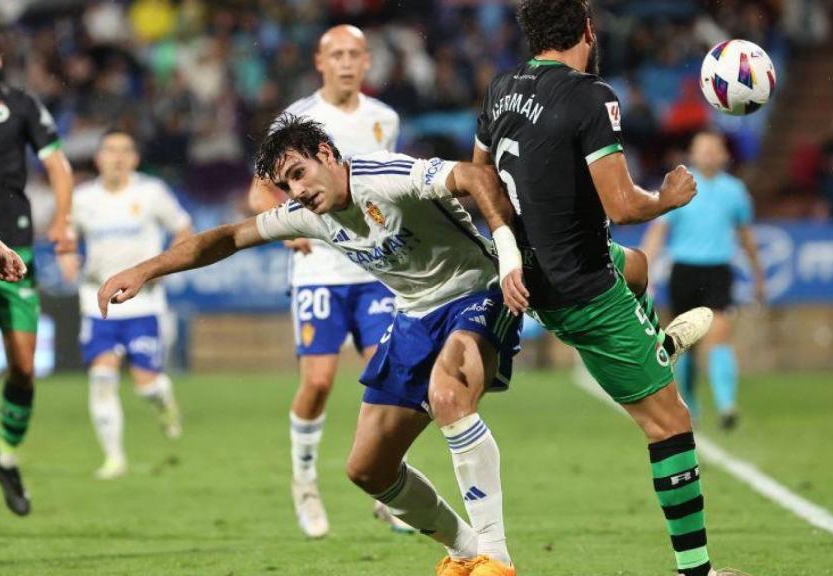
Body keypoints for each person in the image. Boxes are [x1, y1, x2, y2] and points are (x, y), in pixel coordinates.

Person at [99, 116, 526, 576]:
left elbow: (477, 176)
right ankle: (465, 551)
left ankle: (495, 560)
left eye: (298, 173)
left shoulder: (385, 176)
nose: (295, 191)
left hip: (476, 291)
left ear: (326, 154)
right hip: (414, 314)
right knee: (368, 469)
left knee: (448, 396)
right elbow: (228, 237)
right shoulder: (309, 216)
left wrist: (509, 258)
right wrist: (144, 270)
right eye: (285, 184)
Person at [472, 1, 727, 574]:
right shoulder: (591, 96)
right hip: (583, 288)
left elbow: (480, 182)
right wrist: (669, 198)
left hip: (536, 272)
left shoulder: (499, 89)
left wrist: (510, 249)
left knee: (636, 266)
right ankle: (698, 569)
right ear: (587, 29)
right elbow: (623, 204)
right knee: (670, 422)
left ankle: (655, 343)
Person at [246, 24, 404, 538]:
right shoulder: (298, 119)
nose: (346, 62)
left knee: (392, 382)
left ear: (367, 61)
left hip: (376, 268)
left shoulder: (385, 120)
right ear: (319, 61)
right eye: (336, 54)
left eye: (355, 53)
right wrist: (286, 227)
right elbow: (258, 194)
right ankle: (305, 483)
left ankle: (387, 486)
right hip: (319, 271)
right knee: (317, 383)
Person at [58, 129, 193, 479]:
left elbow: (183, 229)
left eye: (124, 151)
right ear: (99, 157)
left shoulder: (151, 192)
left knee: (146, 384)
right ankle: (114, 458)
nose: (116, 157)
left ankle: (163, 402)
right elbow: (65, 235)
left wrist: (165, 266)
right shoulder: (82, 198)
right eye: (110, 150)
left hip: (143, 302)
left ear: (134, 159)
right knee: (102, 377)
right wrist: (67, 256)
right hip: (96, 299)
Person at [0, 14, 75, 517]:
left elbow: (58, 165)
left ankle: (6, 456)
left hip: (15, 254)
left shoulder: (20, 105)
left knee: (23, 367)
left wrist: (62, 220)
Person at [641, 131, 764, 430]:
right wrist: (642, 268)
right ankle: (690, 406)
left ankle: (726, 405)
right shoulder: (680, 187)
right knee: (686, 344)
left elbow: (746, 235)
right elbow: (658, 232)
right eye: (703, 149)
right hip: (684, 270)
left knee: (719, 335)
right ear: (692, 155)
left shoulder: (734, 191)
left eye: (714, 149)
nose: (709, 154)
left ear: (724, 155)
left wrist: (758, 273)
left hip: (718, 271)